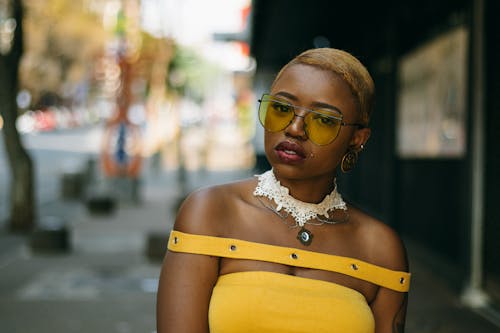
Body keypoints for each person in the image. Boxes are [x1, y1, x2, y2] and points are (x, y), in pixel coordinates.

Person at [156, 47, 410, 333]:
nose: (295, 128)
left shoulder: (380, 248)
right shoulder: (210, 212)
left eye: (324, 120)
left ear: (357, 139)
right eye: (281, 109)